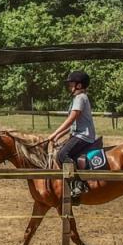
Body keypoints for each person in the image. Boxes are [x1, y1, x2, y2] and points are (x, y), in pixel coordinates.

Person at [43, 71, 98, 199]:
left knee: (62, 154)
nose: (69, 86)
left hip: (84, 136)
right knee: (61, 150)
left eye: (71, 84)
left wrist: (54, 133)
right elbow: (72, 126)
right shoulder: (77, 98)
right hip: (77, 134)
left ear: (78, 85)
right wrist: (57, 136)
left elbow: (71, 119)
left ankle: (79, 183)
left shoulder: (80, 98)